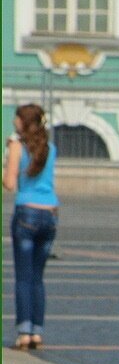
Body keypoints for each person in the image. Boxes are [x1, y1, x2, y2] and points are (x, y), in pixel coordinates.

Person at [3, 104, 59, 350]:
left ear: (22, 122)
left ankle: (24, 332)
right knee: (38, 277)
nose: (14, 122)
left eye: (16, 119)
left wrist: (8, 156)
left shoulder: (17, 147)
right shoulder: (51, 149)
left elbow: (9, 183)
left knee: (23, 276)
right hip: (50, 215)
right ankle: (37, 331)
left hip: (26, 213)